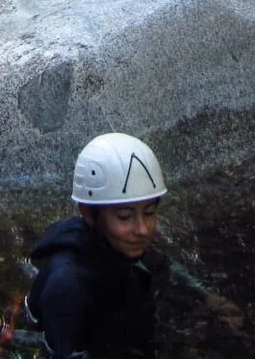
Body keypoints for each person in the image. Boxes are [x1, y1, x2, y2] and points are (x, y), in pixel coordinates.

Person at [25, 132, 168, 359]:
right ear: (88, 214)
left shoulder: (119, 243)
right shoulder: (68, 286)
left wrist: (208, 297)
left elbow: (159, 263)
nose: (143, 229)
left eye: (149, 212)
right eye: (124, 216)